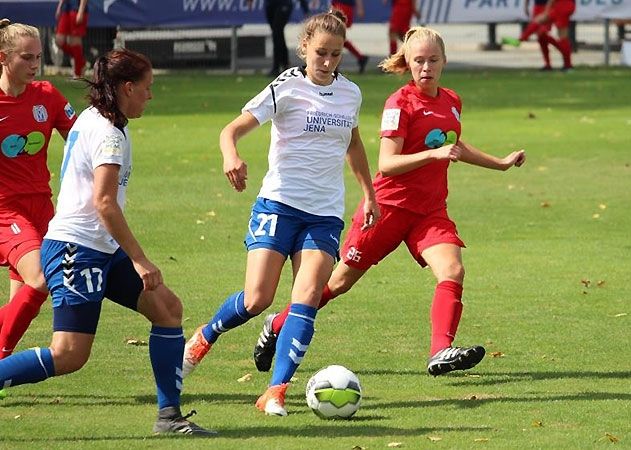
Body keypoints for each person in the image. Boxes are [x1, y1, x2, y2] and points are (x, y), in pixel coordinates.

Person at [252, 26, 527, 378]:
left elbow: (453, 144)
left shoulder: (451, 101)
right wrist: (434, 155)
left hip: (429, 211)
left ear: (444, 61)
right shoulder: (400, 103)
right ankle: (277, 324)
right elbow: (387, 163)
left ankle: (440, 350)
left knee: (453, 269)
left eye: (433, 60)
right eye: (418, 61)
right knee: (335, 285)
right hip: (387, 209)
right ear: (407, 63)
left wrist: (500, 162)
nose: (426, 67)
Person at [0, 48, 215, 436]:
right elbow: (104, 204)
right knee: (68, 355)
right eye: (147, 88)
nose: (150, 96)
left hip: (98, 248)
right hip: (74, 252)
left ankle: (169, 418)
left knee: (167, 309)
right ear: (127, 88)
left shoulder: (99, 118)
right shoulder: (108, 134)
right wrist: (141, 259)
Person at [181, 10, 379, 417]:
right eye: (321, 53)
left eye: (336, 55)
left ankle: (275, 391)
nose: (327, 62)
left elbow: (353, 143)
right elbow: (230, 130)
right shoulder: (286, 88)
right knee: (257, 299)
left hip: (324, 213)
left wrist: (368, 193)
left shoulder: (350, 94)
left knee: (306, 297)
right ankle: (205, 335)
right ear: (304, 47)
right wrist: (230, 156)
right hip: (279, 203)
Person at [0, 19, 76, 370]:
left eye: (38, 58)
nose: (34, 65)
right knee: (40, 279)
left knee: (27, 297)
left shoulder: (47, 95)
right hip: (5, 211)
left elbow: (81, 139)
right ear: (3, 58)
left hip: (43, 208)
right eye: (26, 58)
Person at [501, 0, 575, 71]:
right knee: (542, 34)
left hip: (561, 5)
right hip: (559, 4)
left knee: (553, 33)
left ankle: (567, 64)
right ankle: (558, 64)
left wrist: (547, 9)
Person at [249, 0, 309, 77]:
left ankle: (276, 67)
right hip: (270, 4)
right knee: (277, 35)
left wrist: (305, 8)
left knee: (277, 33)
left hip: (284, 3)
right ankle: (284, 64)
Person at [331, 0, 370, 73]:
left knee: (336, 37)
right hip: (338, 5)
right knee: (337, 37)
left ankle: (335, 68)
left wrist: (360, 8)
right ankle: (360, 57)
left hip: (343, 6)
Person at [55, 0, 89, 79]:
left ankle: (78, 73)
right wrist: (59, 7)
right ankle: (81, 63)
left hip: (77, 9)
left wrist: (80, 11)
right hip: (67, 9)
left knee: (74, 42)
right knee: (59, 41)